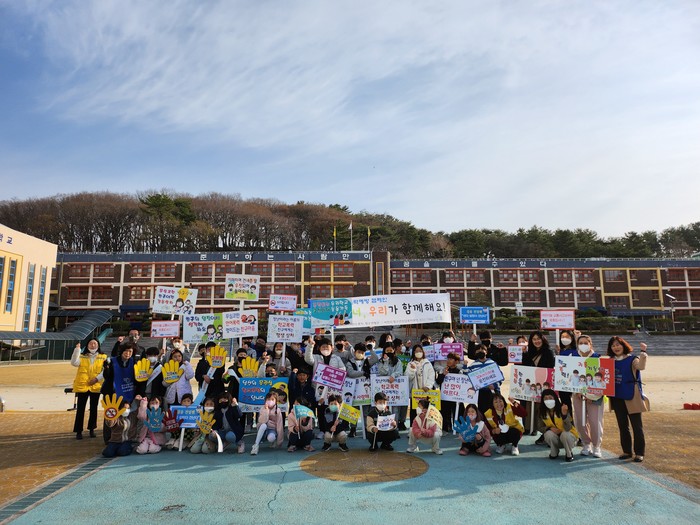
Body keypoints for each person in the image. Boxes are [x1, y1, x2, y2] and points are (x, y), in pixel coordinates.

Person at [608, 337, 648, 462]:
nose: (616, 347)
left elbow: (641, 366)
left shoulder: (632, 359)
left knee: (637, 426)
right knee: (622, 426)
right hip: (617, 396)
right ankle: (626, 451)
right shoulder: (609, 361)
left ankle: (639, 453)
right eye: (613, 345)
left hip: (631, 395)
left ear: (623, 345)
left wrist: (643, 352)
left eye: (618, 345)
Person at [572, 335, 604, 457]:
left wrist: (591, 394)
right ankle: (586, 444)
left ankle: (597, 446)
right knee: (580, 420)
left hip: (594, 397)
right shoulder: (573, 358)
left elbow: (601, 379)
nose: (583, 345)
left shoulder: (597, 358)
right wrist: (577, 391)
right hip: (578, 395)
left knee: (595, 421)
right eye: (581, 343)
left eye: (586, 343)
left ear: (591, 344)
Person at [522, 331, 556, 441]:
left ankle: (544, 431)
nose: (536, 341)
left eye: (538, 339)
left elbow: (550, 367)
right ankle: (530, 427)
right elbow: (525, 366)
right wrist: (524, 353)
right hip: (532, 384)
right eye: (534, 339)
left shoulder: (548, 352)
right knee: (530, 405)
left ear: (543, 339)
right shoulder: (529, 352)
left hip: (543, 384)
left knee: (542, 408)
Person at [71, 339, 106, 439]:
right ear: (87, 345)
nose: (93, 345)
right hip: (83, 385)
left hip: (95, 385)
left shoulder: (103, 357)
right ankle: (78, 431)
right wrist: (77, 350)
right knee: (80, 409)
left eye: (95, 343)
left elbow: (105, 370)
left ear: (98, 345)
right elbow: (74, 363)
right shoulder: (82, 356)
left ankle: (92, 429)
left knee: (93, 408)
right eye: (91, 343)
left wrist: (96, 379)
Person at [538, 389, 578, 462]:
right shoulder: (542, 411)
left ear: (555, 398)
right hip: (556, 439)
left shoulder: (563, 408)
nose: (548, 400)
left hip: (569, 438)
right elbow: (540, 427)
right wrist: (549, 428)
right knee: (548, 434)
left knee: (565, 434)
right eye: (546, 398)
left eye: (550, 398)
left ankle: (569, 453)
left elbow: (568, 428)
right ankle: (554, 452)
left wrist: (564, 415)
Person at [376, 343, 405, 429]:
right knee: (383, 407)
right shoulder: (380, 361)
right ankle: (384, 426)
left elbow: (400, 372)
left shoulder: (398, 361)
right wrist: (385, 362)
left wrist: (393, 375)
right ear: (384, 351)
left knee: (395, 408)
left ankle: (394, 427)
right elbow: (382, 373)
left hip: (395, 389)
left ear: (394, 351)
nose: (389, 352)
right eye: (387, 350)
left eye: (390, 350)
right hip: (384, 388)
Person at [466, 344, 501, 415]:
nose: (480, 351)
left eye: (482, 349)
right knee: (483, 413)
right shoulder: (472, 365)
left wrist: (494, 385)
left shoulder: (492, 363)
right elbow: (468, 378)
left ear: (486, 352)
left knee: (496, 412)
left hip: (493, 392)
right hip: (480, 393)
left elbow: (499, 378)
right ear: (475, 353)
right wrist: (464, 366)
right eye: (478, 350)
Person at [406, 344, 436, 424]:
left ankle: (427, 427)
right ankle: (413, 428)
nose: (418, 352)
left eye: (420, 351)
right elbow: (408, 377)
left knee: (427, 410)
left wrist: (428, 386)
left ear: (423, 352)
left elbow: (431, 376)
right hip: (415, 392)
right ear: (413, 353)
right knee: (414, 410)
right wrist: (412, 370)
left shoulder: (427, 363)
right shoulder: (410, 364)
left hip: (426, 392)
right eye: (416, 351)